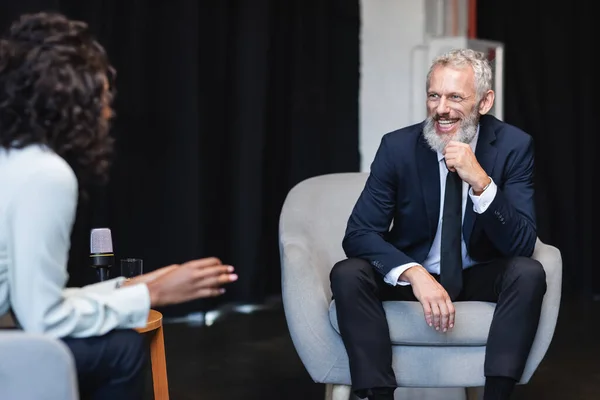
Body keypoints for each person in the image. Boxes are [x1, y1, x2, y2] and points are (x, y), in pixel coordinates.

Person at [0, 12, 238, 400]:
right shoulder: (45, 174)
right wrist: (153, 296)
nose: (109, 109)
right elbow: (43, 319)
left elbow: (32, 300)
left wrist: (128, 286)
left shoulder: (12, 158)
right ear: (72, 98)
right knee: (122, 351)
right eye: (103, 94)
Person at [330, 48, 546, 400]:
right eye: (434, 95)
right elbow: (359, 233)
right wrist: (415, 274)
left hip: (476, 272)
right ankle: (376, 393)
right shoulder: (398, 147)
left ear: (485, 101)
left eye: (455, 97)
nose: (442, 109)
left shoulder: (513, 146)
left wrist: (481, 182)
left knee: (529, 272)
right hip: (415, 274)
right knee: (347, 272)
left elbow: (522, 243)